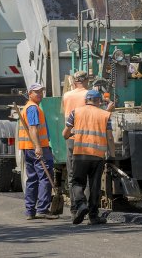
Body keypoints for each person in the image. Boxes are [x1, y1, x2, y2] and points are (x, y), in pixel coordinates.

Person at [62, 90, 115, 225]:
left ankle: (81, 205)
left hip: (80, 153)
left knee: (77, 182)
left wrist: (68, 135)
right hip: (98, 156)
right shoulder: (105, 115)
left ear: (86, 100)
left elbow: (65, 133)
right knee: (95, 186)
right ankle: (93, 216)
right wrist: (112, 156)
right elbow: (109, 136)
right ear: (98, 101)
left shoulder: (76, 112)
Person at [18, 82, 58, 220]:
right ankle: (42, 209)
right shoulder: (33, 108)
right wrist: (38, 147)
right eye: (37, 92)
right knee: (45, 177)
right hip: (37, 148)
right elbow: (33, 129)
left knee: (32, 178)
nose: (40, 94)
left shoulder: (28, 107)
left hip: (27, 148)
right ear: (30, 94)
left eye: (41, 91)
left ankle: (30, 211)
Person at [61, 70, 89, 216]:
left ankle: (74, 207)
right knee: (87, 173)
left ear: (74, 81)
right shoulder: (88, 94)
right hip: (86, 138)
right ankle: (87, 205)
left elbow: (65, 114)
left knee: (72, 174)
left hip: (71, 137)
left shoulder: (66, 95)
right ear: (86, 80)